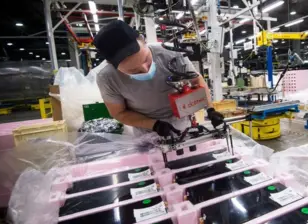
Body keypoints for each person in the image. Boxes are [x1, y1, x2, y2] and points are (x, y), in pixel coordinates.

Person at [93, 20, 224, 137]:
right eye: (134, 70)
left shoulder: (170, 53)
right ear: (112, 65)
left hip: (184, 121)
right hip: (147, 132)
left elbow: (196, 80)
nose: (145, 69)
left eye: (146, 60)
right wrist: (154, 125)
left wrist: (210, 109)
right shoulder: (107, 78)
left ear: (143, 41)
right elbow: (119, 113)